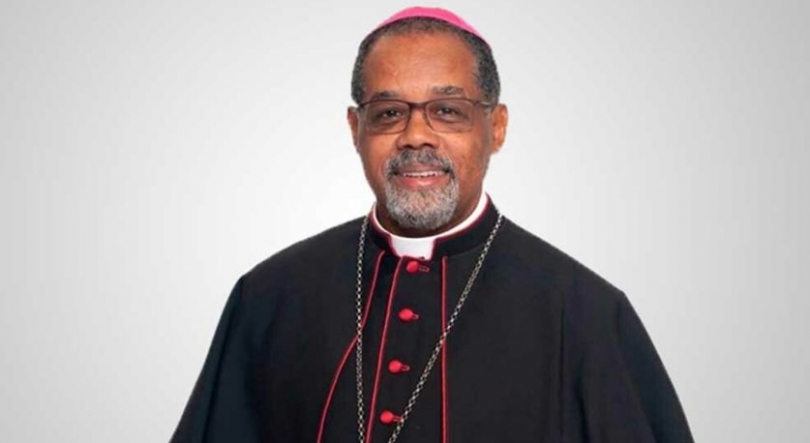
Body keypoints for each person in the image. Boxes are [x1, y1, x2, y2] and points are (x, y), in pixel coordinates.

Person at [171, 6, 693, 443]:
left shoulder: (583, 315)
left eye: (447, 110)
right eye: (388, 112)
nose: (415, 136)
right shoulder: (270, 297)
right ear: (355, 129)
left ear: (496, 127)